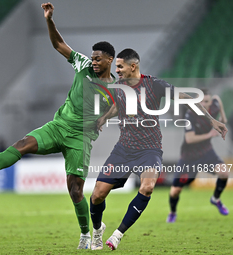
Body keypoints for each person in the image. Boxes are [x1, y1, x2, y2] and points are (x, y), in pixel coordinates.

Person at [0, 2, 116, 249]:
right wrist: (49, 20)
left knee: (75, 191)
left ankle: (88, 232)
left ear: (110, 61)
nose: (93, 62)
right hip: (58, 126)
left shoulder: (115, 89)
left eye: (98, 59)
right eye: (93, 58)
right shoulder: (83, 65)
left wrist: (105, 118)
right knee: (23, 144)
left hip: (80, 139)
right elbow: (58, 45)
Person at [88, 49, 228, 250]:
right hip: (123, 149)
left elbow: (187, 98)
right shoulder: (119, 86)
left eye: (120, 66)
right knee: (97, 195)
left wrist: (212, 120)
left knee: (147, 187)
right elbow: (117, 107)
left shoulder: (155, 85)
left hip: (150, 150)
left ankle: (117, 235)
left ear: (133, 66)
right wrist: (102, 119)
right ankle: (97, 230)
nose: (116, 70)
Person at [167, 88, 229, 223]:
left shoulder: (215, 104)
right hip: (189, 157)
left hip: (207, 152)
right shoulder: (190, 115)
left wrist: (222, 117)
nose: (204, 104)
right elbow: (189, 138)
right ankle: (172, 212)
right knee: (175, 191)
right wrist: (210, 134)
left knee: (224, 173)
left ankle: (215, 199)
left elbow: (221, 113)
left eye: (207, 101)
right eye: (201, 101)